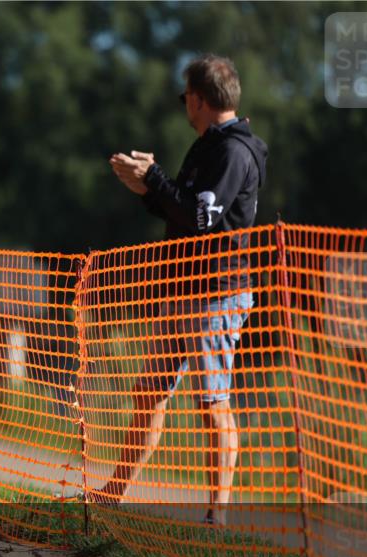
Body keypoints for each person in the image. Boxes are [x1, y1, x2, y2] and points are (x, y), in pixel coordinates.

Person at [98, 55, 268, 525]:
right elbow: (185, 211)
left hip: (216, 293)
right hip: (181, 288)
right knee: (149, 392)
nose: (184, 106)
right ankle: (112, 495)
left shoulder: (234, 151)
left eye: (185, 97)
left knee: (213, 402)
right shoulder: (208, 146)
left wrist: (153, 177)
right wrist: (148, 191)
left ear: (198, 98)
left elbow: (201, 217)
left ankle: (219, 513)